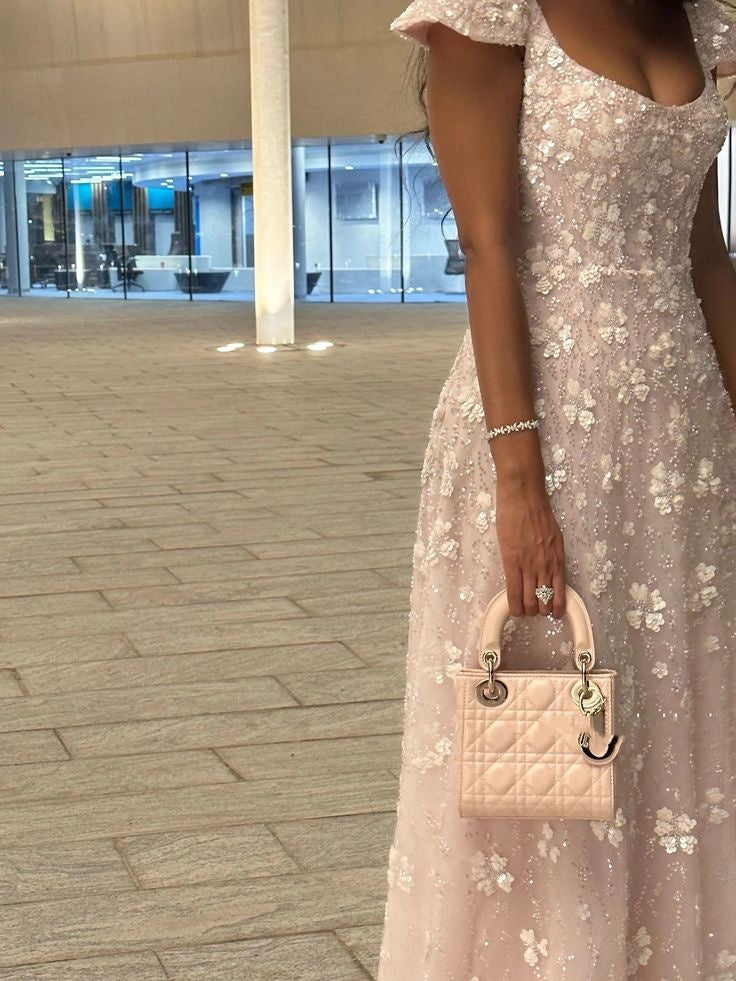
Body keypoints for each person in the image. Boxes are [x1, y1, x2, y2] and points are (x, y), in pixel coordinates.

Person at [377, 0, 736, 977]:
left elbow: (706, 255)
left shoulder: (696, 20)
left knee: (666, 742)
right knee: (548, 759)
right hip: (544, 433)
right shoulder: (492, 13)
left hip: (683, 448)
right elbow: (487, 247)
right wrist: (518, 483)